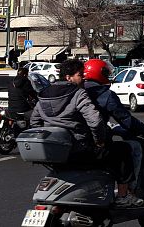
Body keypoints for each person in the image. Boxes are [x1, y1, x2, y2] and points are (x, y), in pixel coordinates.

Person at [30, 60, 115, 198]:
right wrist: (99, 141)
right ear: (68, 77)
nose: (84, 78)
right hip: (78, 148)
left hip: (53, 150)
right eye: (80, 75)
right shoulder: (78, 93)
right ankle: (120, 196)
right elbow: (95, 121)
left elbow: (34, 122)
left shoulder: (44, 94)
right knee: (119, 153)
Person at [82, 59, 144, 207]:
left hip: (76, 142)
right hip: (95, 143)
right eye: (106, 72)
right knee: (130, 148)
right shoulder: (105, 94)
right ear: (100, 73)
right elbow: (126, 119)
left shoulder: (77, 91)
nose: (109, 75)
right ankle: (126, 193)